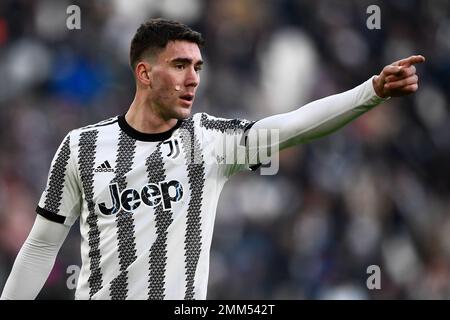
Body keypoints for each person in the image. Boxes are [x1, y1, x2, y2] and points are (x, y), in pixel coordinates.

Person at [0, 18, 425, 300]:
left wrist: (371, 92)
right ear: (145, 73)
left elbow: (294, 126)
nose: (193, 79)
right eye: (180, 65)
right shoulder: (81, 147)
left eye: (198, 67)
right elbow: (40, 247)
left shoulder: (208, 141)